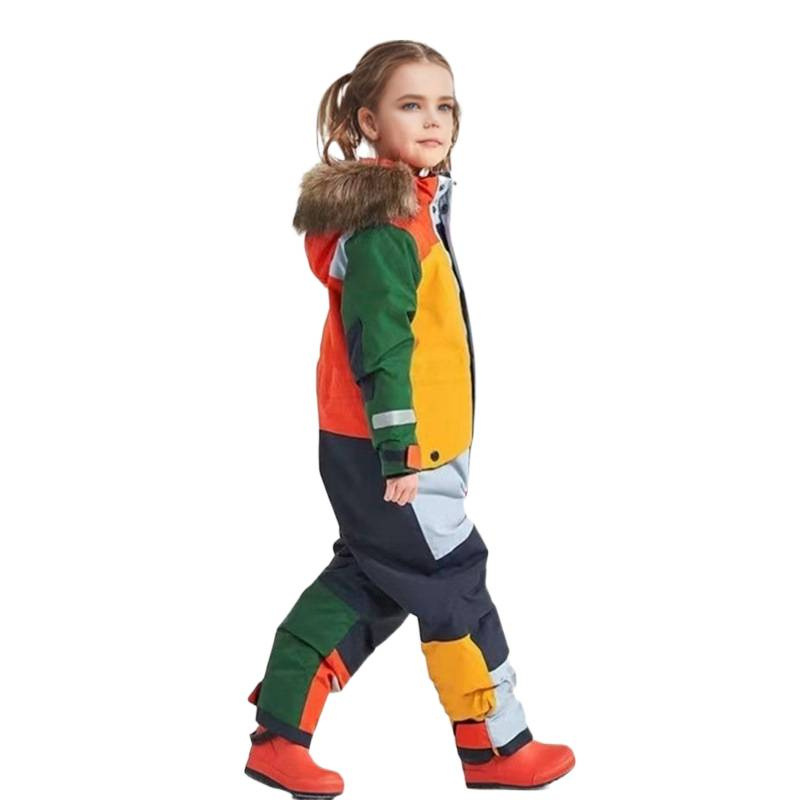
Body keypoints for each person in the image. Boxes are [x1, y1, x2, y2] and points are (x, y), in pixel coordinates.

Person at [244, 40, 575, 798]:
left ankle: (281, 735)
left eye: (444, 105)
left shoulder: (413, 209)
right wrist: (399, 450)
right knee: (452, 579)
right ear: (369, 121)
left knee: (373, 580)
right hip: (396, 450)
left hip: (405, 447)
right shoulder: (388, 227)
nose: (433, 119)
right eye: (410, 104)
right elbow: (382, 346)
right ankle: (496, 745)